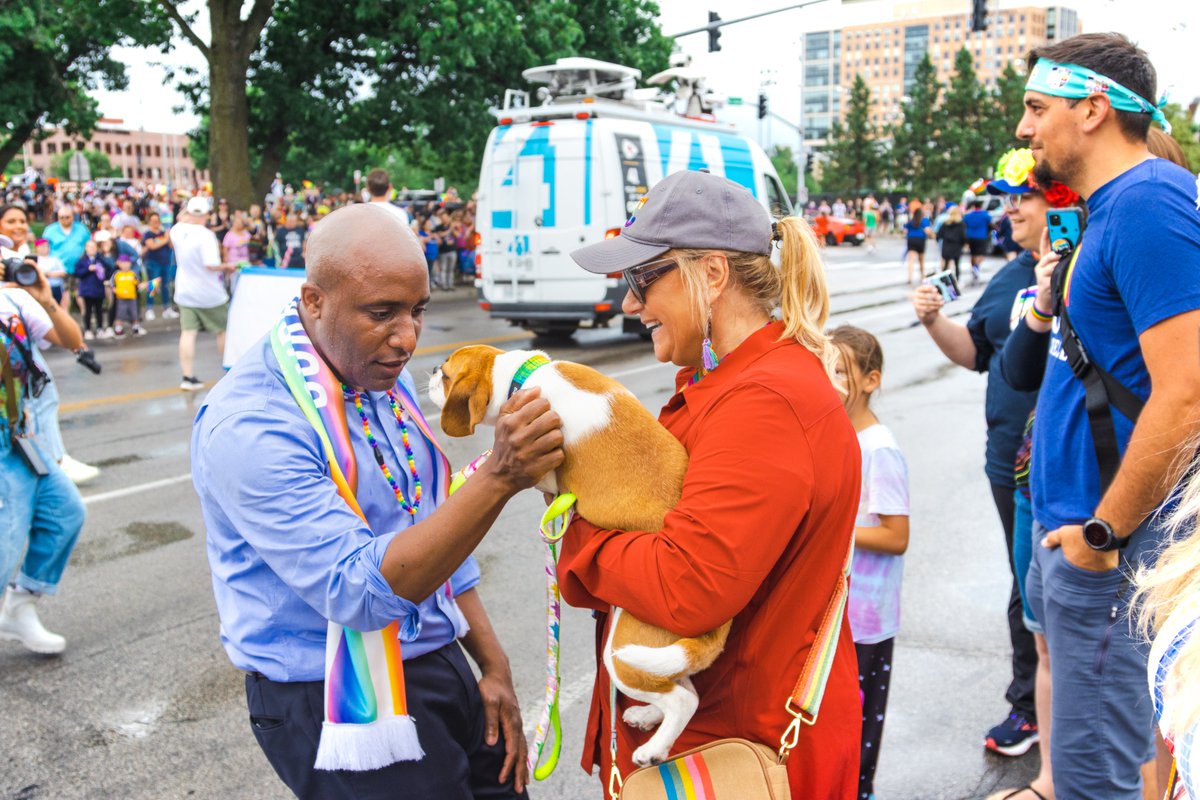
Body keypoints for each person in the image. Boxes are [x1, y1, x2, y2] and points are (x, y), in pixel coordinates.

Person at [192, 202, 562, 799]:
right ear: (313, 300)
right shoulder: (251, 423)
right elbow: (357, 592)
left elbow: (430, 527)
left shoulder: (368, 368)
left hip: (435, 656)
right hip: (333, 695)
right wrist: (499, 475)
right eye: (382, 313)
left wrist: (492, 666)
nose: (408, 338)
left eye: (418, 311)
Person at [561, 170, 861, 798]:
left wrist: (579, 529)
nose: (630, 304)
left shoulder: (764, 402)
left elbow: (685, 588)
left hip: (733, 746)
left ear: (714, 274)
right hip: (719, 737)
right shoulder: (738, 381)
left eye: (643, 279)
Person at [1007, 33, 1200, 799]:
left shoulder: (1151, 201)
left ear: (1092, 109)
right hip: (1075, 530)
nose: (1024, 130)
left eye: (1035, 107)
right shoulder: (1110, 207)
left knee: (1097, 782)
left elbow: (1186, 393)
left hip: (1110, 544)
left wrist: (1101, 535)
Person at [911, 146, 1081, 781]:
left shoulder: (1079, 267)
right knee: (1025, 587)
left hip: (1063, 463)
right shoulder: (1005, 276)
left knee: (1049, 593)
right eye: (1005, 199)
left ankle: (1039, 709)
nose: (1009, 209)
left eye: (1024, 198)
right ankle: (1032, 702)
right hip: (1005, 461)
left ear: (1058, 202)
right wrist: (933, 320)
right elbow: (977, 352)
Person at [831, 324, 910, 800]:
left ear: (870, 380)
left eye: (842, 371)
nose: (832, 381)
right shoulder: (837, 435)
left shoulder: (878, 448)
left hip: (866, 621)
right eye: (826, 370)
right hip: (836, 615)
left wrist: (833, 528)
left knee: (858, 727)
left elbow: (896, 535)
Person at [0, 260, 87, 655]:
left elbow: (73, 340)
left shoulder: (15, 300)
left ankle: (19, 607)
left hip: (20, 438)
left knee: (65, 512)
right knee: (6, 539)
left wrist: (47, 300)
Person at [172, 196, 236, 391]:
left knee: (188, 333)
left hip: (184, 290)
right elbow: (211, 265)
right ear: (207, 214)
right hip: (209, 293)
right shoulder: (206, 235)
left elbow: (180, 218)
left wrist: (187, 214)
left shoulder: (177, 230)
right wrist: (228, 266)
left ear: (189, 212)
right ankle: (229, 374)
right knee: (222, 330)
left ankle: (187, 376)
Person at [42, 206, 91, 293]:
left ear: (73, 216)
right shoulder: (50, 230)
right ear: (58, 217)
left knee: (79, 295)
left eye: (67, 217)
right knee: (62, 295)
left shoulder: (82, 229)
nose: (64, 219)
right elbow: (43, 248)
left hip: (79, 268)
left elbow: (90, 244)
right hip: (57, 270)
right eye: (62, 217)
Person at [141, 212, 176, 321]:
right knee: (153, 286)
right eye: (153, 220)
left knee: (166, 286)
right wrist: (164, 239)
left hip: (165, 262)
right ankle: (150, 309)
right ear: (150, 222)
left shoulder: (164, 233)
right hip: (153, 263)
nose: (156, 222)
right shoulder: (148, 234)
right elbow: (152, 245)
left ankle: (167, 308)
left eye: (157, 220)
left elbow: (171, 246)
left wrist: (168, 237)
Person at [74, 240, 109, 340]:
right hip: (87, 290)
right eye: (90, 247)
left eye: (94, 247)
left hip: (98, 289)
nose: (92, 249)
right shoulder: (82, 261)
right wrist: (88, 269)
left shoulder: (100, 260)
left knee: (99, 310)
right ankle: (87, 329)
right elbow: (77, 273)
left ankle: (100, 328)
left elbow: (107, 269)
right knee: (88, 310)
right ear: (86, 248)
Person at [109, 252, 144, 337]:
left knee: (134, 313)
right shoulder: (116, 274)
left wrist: (143, 285)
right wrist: (114, 290)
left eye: (127, 263)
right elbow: (111, 284)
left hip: (132, 297)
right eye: (123, 263)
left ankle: (136, 328)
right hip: (121, 298)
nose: (125, 265)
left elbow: (138, 283)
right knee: (120, 314)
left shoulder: (133, 273)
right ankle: (118, 330)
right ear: (119, 264)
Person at [963, 200, 993, 284]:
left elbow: (964, 223)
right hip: (981, 236)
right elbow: (990, 222)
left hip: (970, 236)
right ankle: (976, 266)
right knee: (981, 254)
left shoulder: (969, 215)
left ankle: (973, 267)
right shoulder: (984, 214)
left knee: (973, 254)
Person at [904, 204, 933, 284]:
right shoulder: (924, 221)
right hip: (920, 240)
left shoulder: (911, 221)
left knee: (911, 260)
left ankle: (909, 278)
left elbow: (905, 231)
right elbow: (928, 230)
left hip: (911, 239)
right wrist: (931, 236)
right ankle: (921, 275)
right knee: (921, 259)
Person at [936, 205, 967, 280]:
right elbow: (963, 236)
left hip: (947, 245)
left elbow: (939, 235)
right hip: (956, 245)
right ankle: (957, 279)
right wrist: (964, 243)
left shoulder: (946, 223)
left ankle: (944, 279)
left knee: (946, 264)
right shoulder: (961, 224)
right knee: (957, 264)